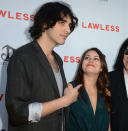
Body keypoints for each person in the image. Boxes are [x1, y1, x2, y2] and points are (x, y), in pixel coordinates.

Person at [5, 2, 81, 131]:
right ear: (45, 23)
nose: (68, 30)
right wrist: (64, 101)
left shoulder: (58, 59)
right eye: (62, 23)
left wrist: (65, 95)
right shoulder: (22, 57)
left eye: (70, 25)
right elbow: (17, 113)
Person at [68, 48, 111, 131]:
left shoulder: (105, 93)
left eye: (96, 58)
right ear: (82, 65)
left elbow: (108, 125)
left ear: (101, 68)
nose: (91, 60)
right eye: (87, 58)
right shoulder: (71, 88)